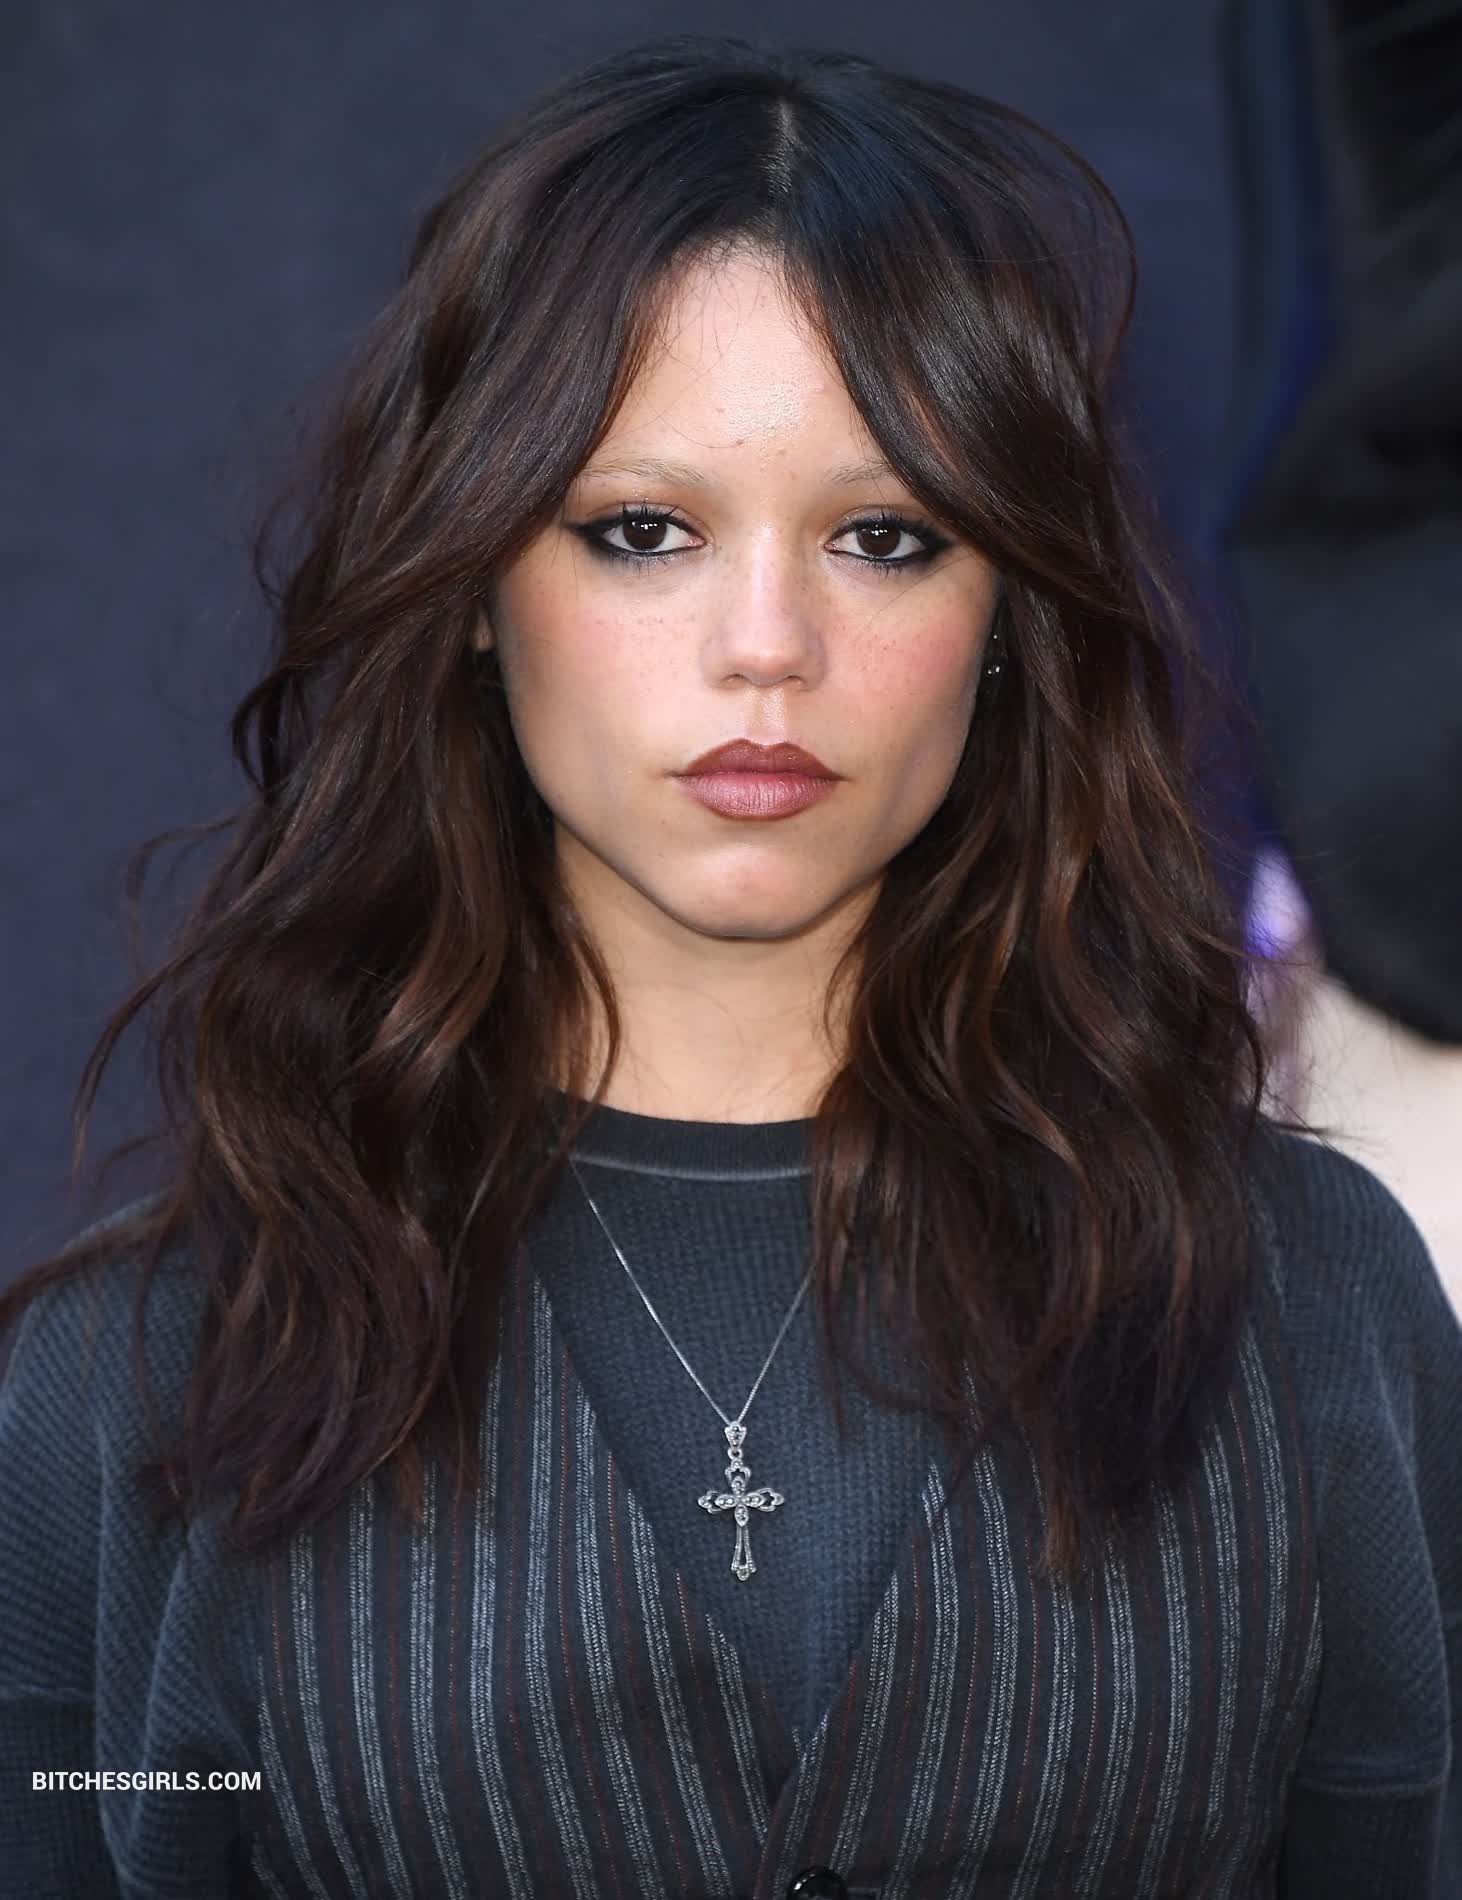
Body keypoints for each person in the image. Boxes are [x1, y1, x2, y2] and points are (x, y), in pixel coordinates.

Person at [1, 32, 1457, 1900]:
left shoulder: (1310, 1302)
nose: (766, 644)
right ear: (473, 586)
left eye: (884, 536)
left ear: (1006, 613)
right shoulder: (137, 1379)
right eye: (643, 532)